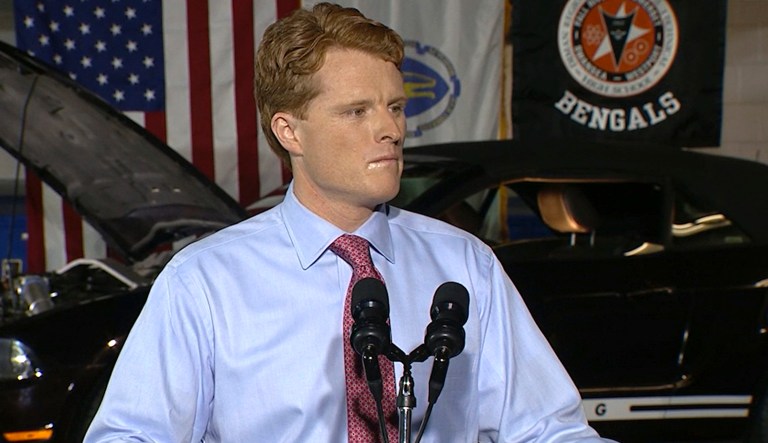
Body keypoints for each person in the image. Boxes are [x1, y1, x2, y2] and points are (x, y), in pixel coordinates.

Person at [85, 3, 612, 442]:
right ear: (289, 132)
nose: (391, 130)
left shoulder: (465, 264)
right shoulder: (205, 281)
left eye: (395, 107)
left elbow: (549, 431)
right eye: (357, 111)